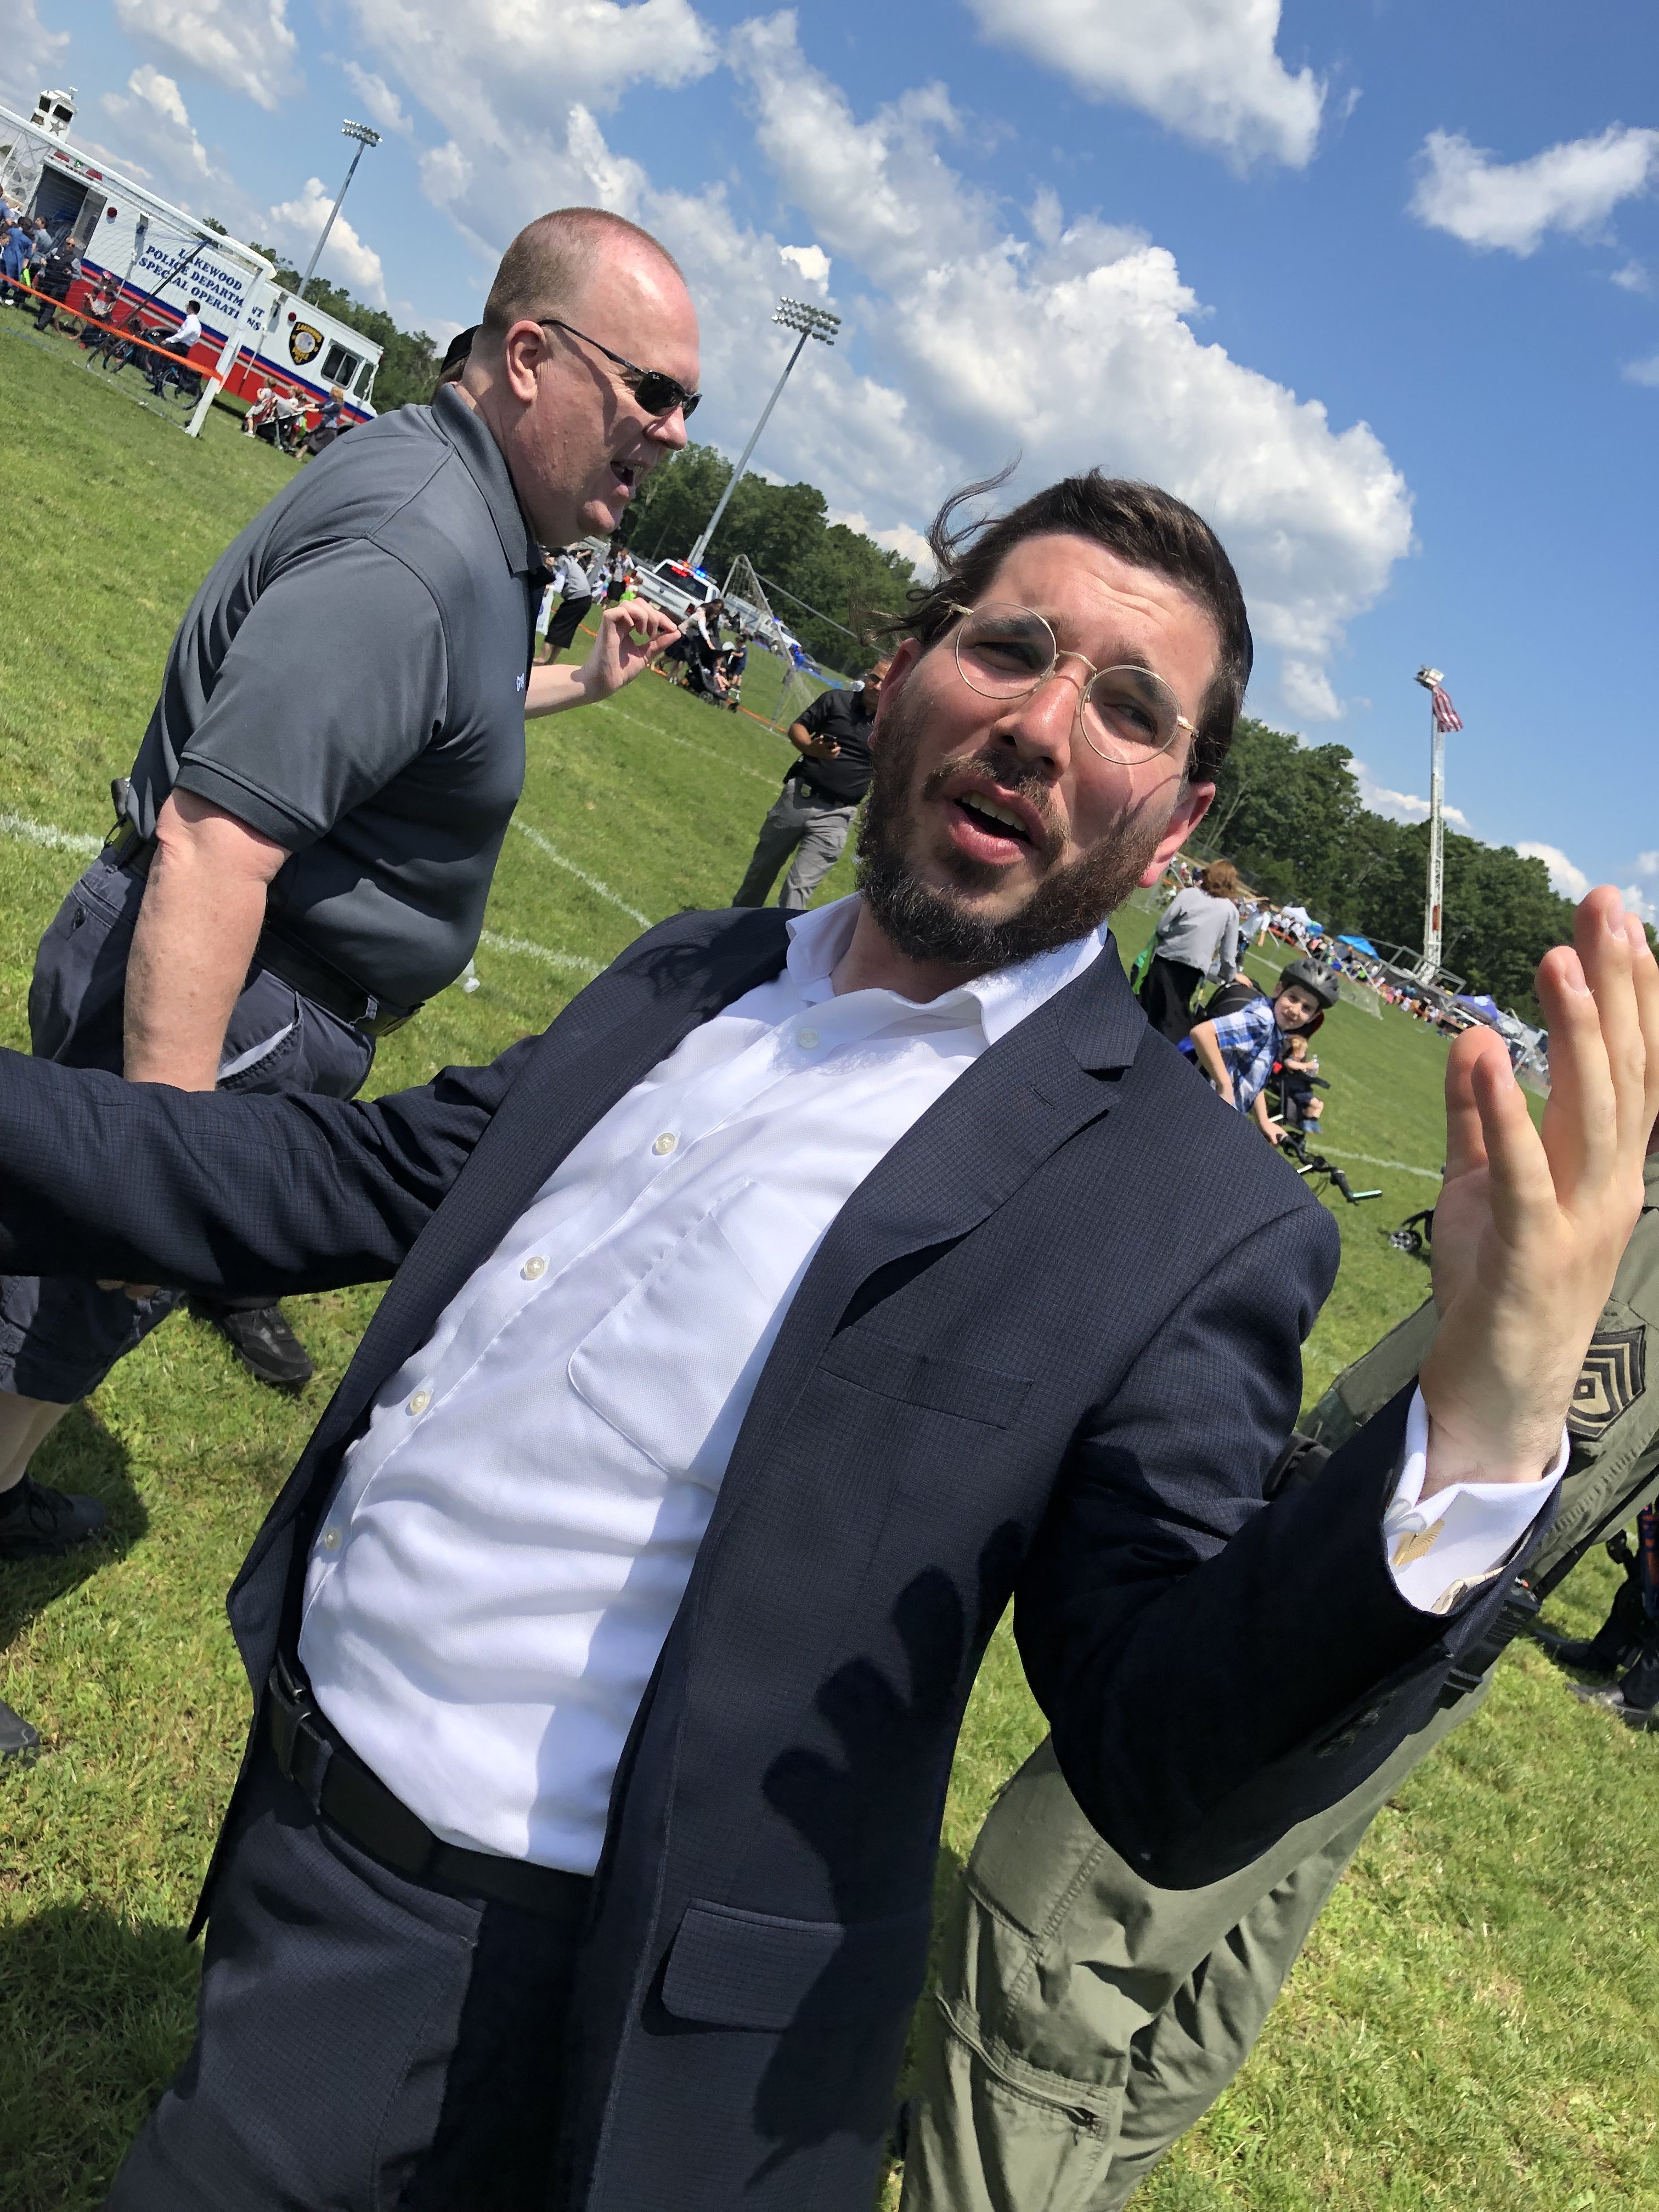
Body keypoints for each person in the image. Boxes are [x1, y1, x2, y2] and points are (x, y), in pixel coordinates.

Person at [0, 469, 1649, 2212]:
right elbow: (352, 1175)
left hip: (548, 1987)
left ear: (1176, 827)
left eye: (1128, 708)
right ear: (908, 670)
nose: (1043, 725)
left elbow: (1158, 1743)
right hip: (302, 1815)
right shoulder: (695, 972)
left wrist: (1479, 1436)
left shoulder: (1188, 1215)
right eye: (1010, 648)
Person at [0, 205, 687, 1558]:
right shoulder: (424, 546)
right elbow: (216, 841)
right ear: (532, 355)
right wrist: (163, 1163)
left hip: (258, 996)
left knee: (77, 1295)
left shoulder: (468, 511)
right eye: (651, 390)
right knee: (64, 1286)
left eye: (687, 408)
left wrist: (582, 682)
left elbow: (431, 707)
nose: (671, 433)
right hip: (234, 990)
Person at [898, 1116, 1659, 2212]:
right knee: (1219, 1959)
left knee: (1052, 1943)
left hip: (1368, 1590)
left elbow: (1533, 1460)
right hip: (1404, 1607)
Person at [732, 658, 891, 911]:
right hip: (798, 799)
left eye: (886, 682)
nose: (878, 686)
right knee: (761, 872)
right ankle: (734, 927)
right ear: (867, 677)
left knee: (798, 887)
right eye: (875, 678)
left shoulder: (891, 728)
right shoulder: (836, 700)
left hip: (837, 815)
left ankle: (781, 936)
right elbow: (798, 727)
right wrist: (809, 748)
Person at [1184, 957, 1338, 1143]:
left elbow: (1253, 1079)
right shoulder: (1263, 1020)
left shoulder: (1276, 1030)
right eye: (1293, 998)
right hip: (1203, 1111)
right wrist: (1225, 1086)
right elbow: (1203, 1034)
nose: (1295, 1010)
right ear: (1279, 990)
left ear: (1313, 1017)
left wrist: (1263, 1121)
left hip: (1222, 1116)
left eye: (1306, 1008)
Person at [1136, 857, 1241, 1041]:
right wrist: (1230, 976)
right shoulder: (1230, 911)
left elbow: (1163, 926)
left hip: (1165, 957)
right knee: (1174, 1014)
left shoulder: (1189, 894)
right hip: (1193, 967)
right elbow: (1228, 954)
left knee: (1149, 1005)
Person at [543, 545, 596, 657]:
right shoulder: (569, 562)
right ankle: (551, 661)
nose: (545, 558)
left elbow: (558, 587)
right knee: (567, 631)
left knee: (556, 627)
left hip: (577, 600)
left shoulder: (562, 564)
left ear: (553, 557)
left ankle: (541, 658)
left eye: (547, 555)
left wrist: (545, 587)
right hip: (584, 599)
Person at [31, 230, 78, 331]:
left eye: (73, 245)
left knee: (51, 304)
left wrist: (71, 274)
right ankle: (40, 321)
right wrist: (43, 261)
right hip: (49, 281)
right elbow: (46, 257)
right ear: (65, 243)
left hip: (60, 286)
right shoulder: (55, 251)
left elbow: (79, 277)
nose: (70, 246)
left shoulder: (75, 260)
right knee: (44, 302)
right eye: (69, 244)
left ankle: (41, 325)